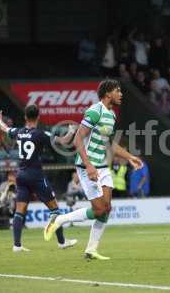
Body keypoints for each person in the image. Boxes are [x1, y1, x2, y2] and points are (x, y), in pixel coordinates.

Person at [43, 79, 143, 260]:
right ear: (107, 94)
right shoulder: (94, 111)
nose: (121, 94)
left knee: (107, 208)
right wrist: (88, 165)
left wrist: (129, 157)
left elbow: (109, 143)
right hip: (86, 165)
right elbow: (78, 138)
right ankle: (58, 220)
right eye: (117, 91)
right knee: (98, 209)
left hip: (102, 166)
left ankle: (91, 249)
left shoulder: (111, 115)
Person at [0, 105, 77, 252]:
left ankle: (17, 245)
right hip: (36, 175)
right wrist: (71, 131)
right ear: (38, 117)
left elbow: (5, 129)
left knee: (20, 211)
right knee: (54, 209)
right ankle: (62, 242)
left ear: (25, 117)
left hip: (21, 175)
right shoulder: (40, 134)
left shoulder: (19, 132)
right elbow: (63, 141)